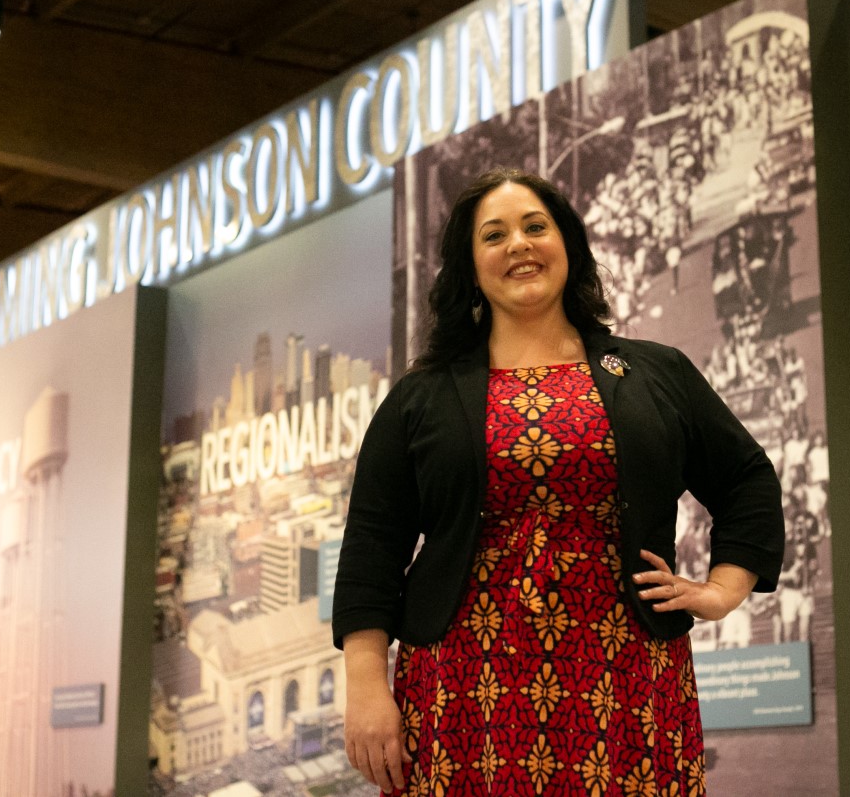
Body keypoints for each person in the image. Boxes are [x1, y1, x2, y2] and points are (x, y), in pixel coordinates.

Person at [332, 168, 784, 795]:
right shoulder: (421, 397)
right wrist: (365, 687)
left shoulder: (656, 372)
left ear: (567, 244)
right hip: (462, 693)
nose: (518, 244)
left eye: (535, 227)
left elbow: (747, 479)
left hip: (626, 682)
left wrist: (724, 589)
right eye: (494, 235)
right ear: (471, 267)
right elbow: (373, 545)